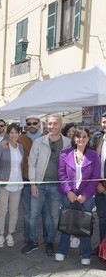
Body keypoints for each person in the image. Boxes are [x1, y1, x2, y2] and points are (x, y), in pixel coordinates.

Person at [22, 114, 71, 256]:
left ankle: (50, 242)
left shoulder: (68, 142)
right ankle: (33, 241)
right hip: (39, 184)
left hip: (57, 186)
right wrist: (33, 183)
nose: (52, 126)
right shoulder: (39, 142)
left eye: (55, 123)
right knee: (33, 215)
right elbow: (32, 163)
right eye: (49, 123)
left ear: (61, 125)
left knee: (54, 216)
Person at [55, 127, 100, 266]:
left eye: (84, 136)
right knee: (66, 221)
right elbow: (62, 175)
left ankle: (85, 253)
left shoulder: (93, 155)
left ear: (88, 138)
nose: (81, 139)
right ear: (74, 138)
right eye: (78, 136)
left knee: (84, 224)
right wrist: (68, 191)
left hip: (86, 195)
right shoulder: (65, 153)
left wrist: (85, 195)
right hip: (68, 193)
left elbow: (95, 178)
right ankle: (62, 250)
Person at [0, 123, 24, 248]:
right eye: (11, 132)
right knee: (2, 210)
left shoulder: (21, 147)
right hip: (4, 183)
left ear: (18, 134)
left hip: (17, 183)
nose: (13, 135)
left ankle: (10, 233)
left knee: (14, 210)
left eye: (16, 132)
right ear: (8, 134)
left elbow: (20, 165)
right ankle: (1, 234)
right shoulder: (2, 147)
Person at [18, 115, 42, 245]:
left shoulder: (45, 137)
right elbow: (10, 141)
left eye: (34, 123)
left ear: (39, 123)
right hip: (26, 179)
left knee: (39, 212)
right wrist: (4, 142)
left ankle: (44, 237)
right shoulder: (21, 138)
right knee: (27, 211)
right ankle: (28, 236)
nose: (32, 125)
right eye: (29, 123)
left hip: (42, 180)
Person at [89, 111, 106, 253]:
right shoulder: (100, 139)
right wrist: (97, 184)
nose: (105, 125)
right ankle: (102, 248)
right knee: (102, 219)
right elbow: (95, 163)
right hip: (99, 187)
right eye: (104, 122)